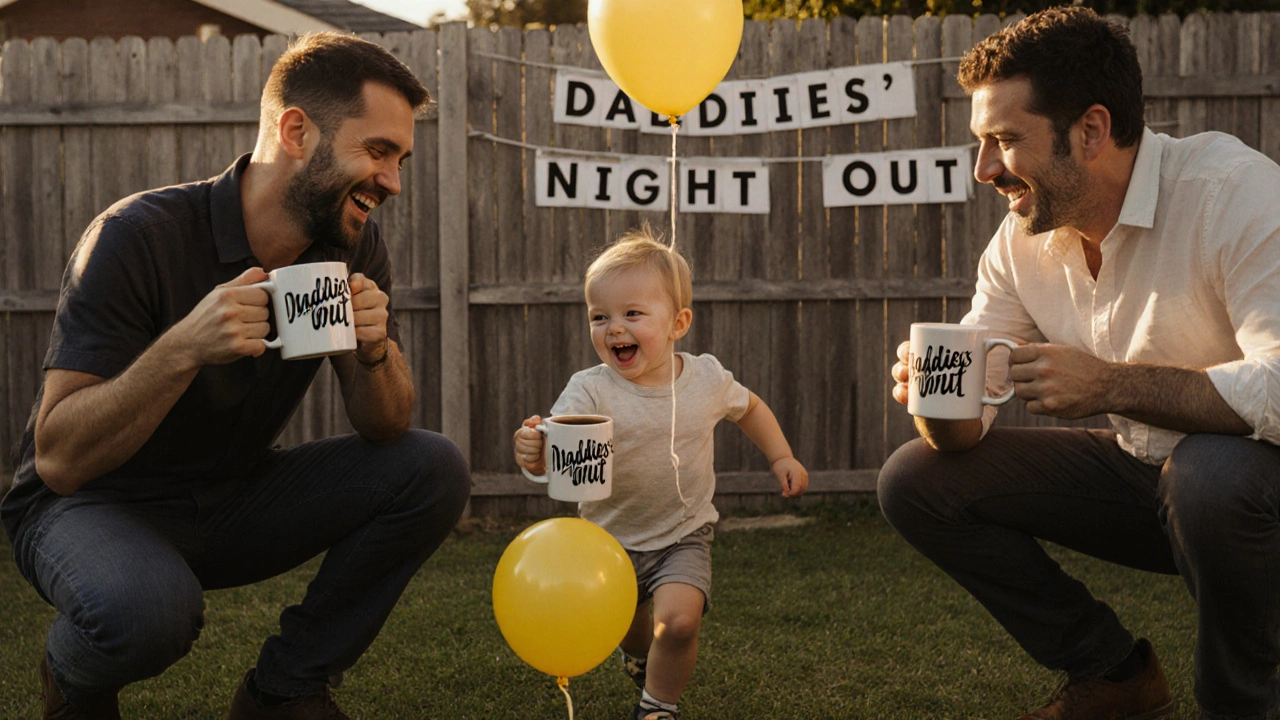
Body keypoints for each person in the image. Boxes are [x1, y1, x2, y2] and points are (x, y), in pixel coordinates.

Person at [1, 33, 472, 720]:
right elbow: (60, 459)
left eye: (399, 159)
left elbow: (384, 425)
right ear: (295, 130)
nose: (393, 181)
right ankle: (73, 674)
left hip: (229, 499)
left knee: (432, 466)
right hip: (90, 507)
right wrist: (182, 348)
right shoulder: (138, 235)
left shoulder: (350, 243)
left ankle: (283, 690)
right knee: (147, 612)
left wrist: (372, 349)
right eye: (377, 152)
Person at [877, 7, 1280, 720]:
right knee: (916, 477)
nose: (984, 169)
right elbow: (970, 418)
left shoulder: (1236, 192)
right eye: (981, 143)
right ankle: (1113, 673)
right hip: (1146, 477)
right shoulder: (1021, 239)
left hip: (1251, 488)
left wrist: (1110, 385)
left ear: (1091, 130)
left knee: (1210, 476)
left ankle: (1243, 701)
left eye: (1004, 140)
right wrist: (938, 400)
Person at [512, 228, 809, 720]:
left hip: (683, 534)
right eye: (599, 316)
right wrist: (533, 449)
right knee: (628, 629)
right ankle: (636, 655)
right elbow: (554, 438)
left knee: (678, 623)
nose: (614, 328)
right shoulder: (589, 389)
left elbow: (749, 408)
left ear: (678, 323)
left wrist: (781, 456)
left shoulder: (706, 379)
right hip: (607, 543)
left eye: (632, 314)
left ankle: (658, 705)